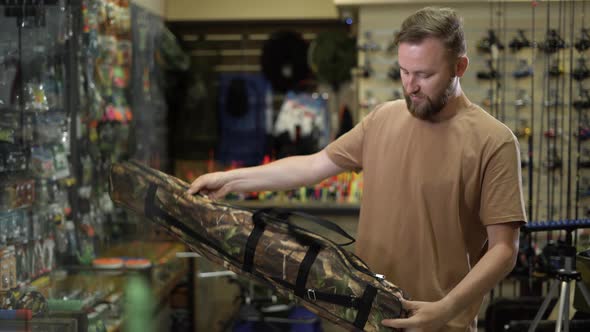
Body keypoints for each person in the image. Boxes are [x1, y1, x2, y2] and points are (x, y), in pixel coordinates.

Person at [187, 7, 526, 332]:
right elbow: (313, 165)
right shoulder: (383, 118)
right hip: (364, 317)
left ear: (460, 66)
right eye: (404, 72)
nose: (410, 86)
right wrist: (230, 179)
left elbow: (504, 249)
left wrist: (446, 308)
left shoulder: (494, 141)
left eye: (425, 75)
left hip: (440, 325)